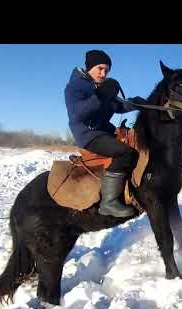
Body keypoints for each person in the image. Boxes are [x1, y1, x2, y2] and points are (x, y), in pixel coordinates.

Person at [64, 50, 147, 218]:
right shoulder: (75, 86)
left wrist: (136, 103)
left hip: (104, 131)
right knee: (125, 153)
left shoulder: (101, 86)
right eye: (100, 68)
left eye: (106, 70)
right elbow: (78, 114)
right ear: (90, 67)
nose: (103, 73)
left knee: (136, 144)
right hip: (88, 135)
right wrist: (101, 96)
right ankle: (108, 202)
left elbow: (118, 107)